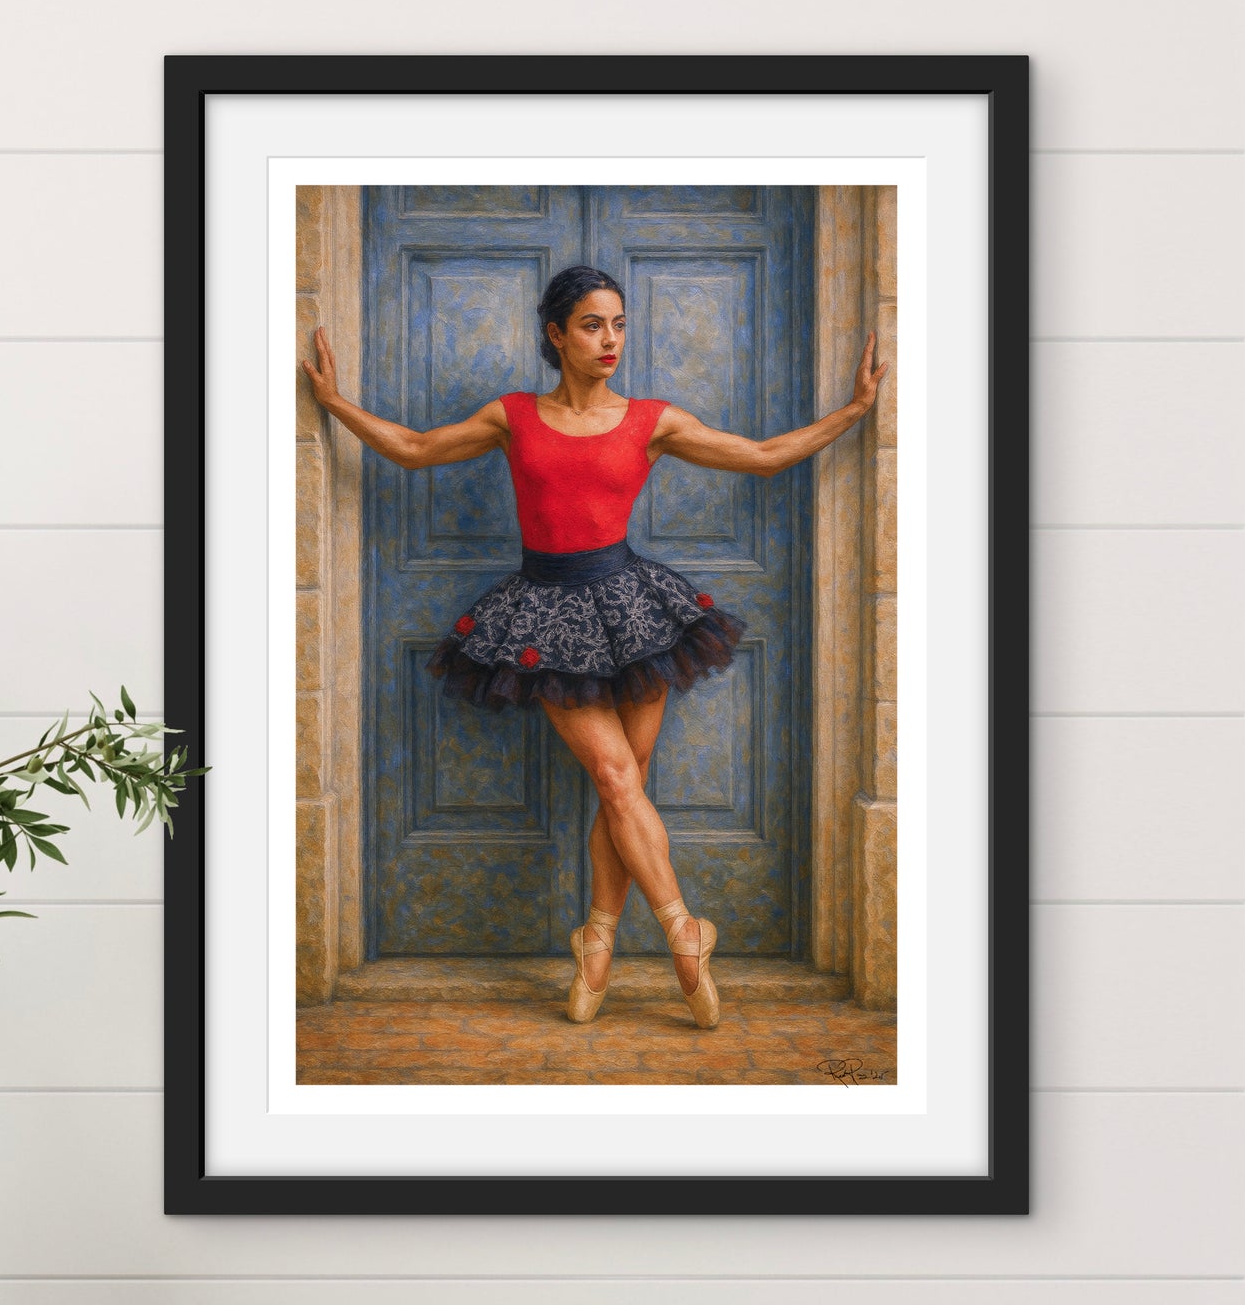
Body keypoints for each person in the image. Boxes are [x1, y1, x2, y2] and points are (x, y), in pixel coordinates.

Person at [302, 262, 887, 1029]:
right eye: (591, 325)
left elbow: (764, 454)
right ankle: (685, 931)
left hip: (633, 608)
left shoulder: (653, 421)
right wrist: (334, 403)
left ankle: (597, 942)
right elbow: (413, 448)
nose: (610, 339)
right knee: (615, 776)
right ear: (556, 334)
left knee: (625, 785)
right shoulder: (513, 415)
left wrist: (855, 409)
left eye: (618, 324)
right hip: (545, 612)